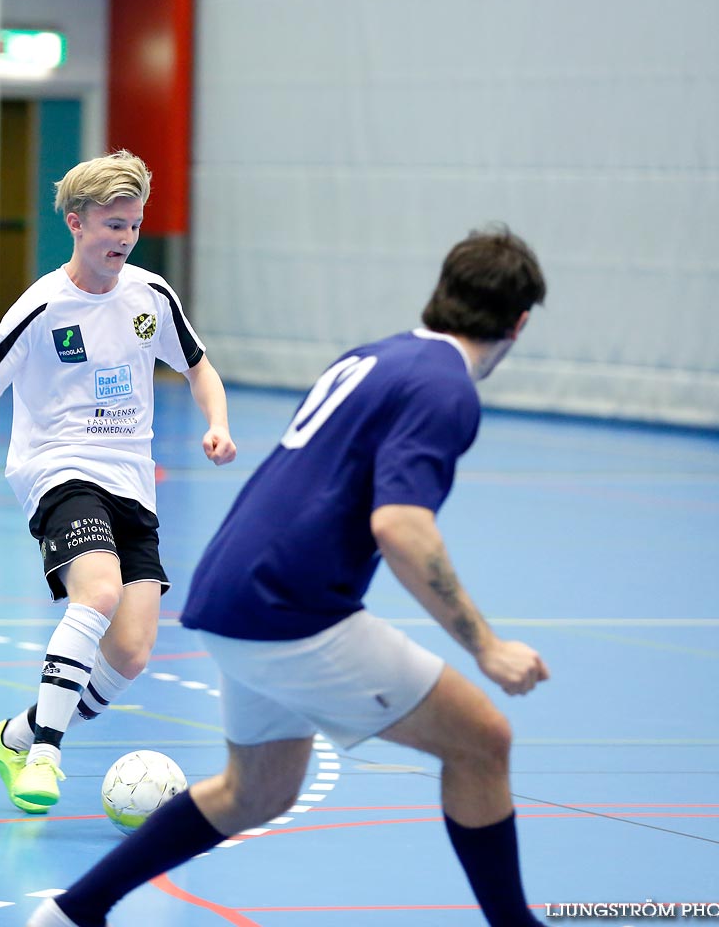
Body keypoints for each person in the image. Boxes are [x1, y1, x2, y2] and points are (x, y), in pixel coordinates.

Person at [29, 225, 551, 927]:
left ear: (443, 294)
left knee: (257, 790)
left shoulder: (377, 357)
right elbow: (400, 526)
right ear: (519, 323)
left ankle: (71, 913)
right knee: (484, 740)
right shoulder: (444, 386)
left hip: (228, 595)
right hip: (291, 612)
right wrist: (487, 646)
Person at [0, 150, 236, 814]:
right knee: (97, 591)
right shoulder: (42, 307)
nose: (124, 238)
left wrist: (218, 422)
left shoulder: (150, 298)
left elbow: (199, 366)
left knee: (133, 652)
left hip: (132, 479)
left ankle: (15, 735)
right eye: (113, 225)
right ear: (75, 222)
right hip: (58, 468)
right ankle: (46, 756)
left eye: (134, 226)